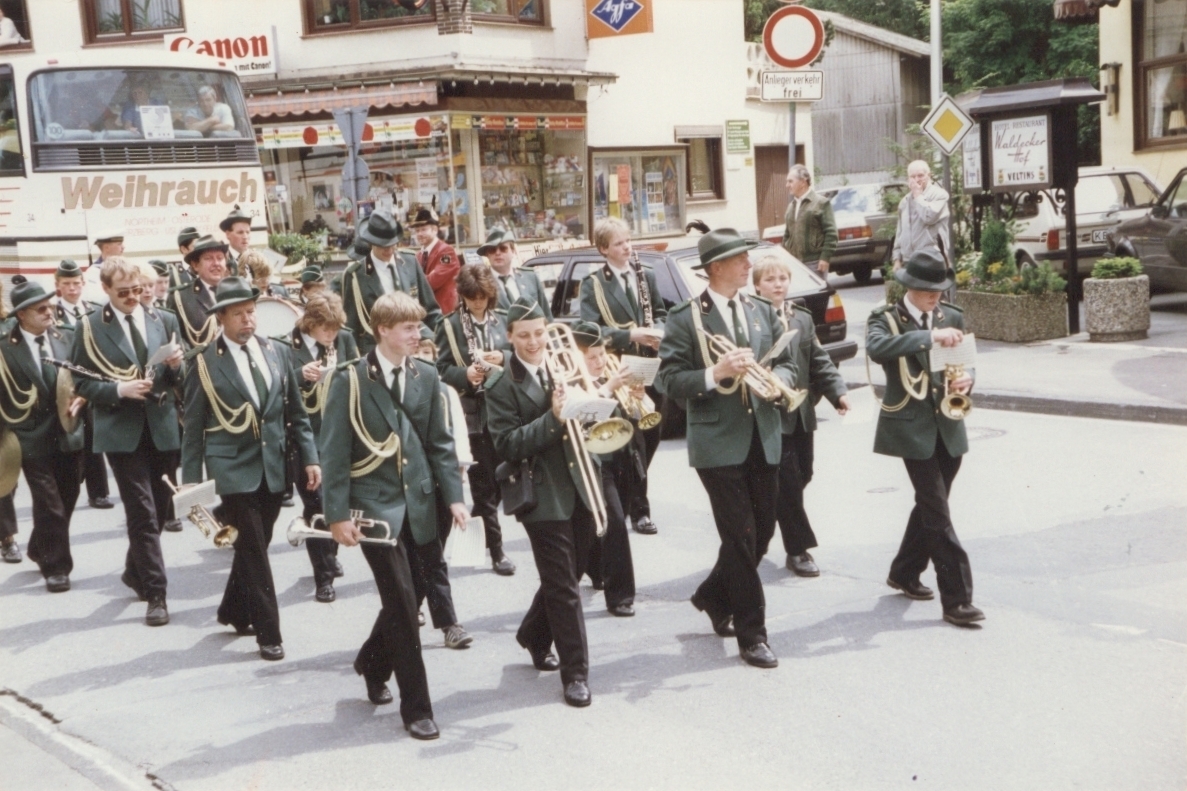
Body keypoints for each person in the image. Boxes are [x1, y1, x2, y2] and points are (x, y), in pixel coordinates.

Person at [320, 292, 472, 740]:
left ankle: (371, 660)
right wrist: (335, 516)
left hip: (423, 501)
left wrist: (455, 497)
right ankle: (418, 708)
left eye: (418, 327)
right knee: (404, 607)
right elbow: (333, 453)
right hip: (373, 507)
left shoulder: (426, 375)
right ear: (382, 329)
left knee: (414, 594)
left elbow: (440, 444)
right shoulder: (349, 379)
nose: (417, 335)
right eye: (407, 328)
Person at [656, 228, 797, 669]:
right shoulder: (685, 318)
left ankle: (713, 597)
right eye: (739, 259)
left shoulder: (759, 309)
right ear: (716, 268)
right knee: (740, 537)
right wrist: (714, 373)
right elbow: (667, 379)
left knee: (763, 531)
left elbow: (787, 361)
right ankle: (752, 634)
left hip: (763, 433)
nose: (748, 266)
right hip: (717, 441)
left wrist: (782, 384)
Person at [182, 277, 321, 660]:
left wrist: (309, 457)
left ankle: (232, 609)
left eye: (251, 312)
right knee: (256, 550)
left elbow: (298, 412)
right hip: (232, 467)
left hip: (274, 463)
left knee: (253, 543)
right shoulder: (204, 363)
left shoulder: (276, 352)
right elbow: (193, 428)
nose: (248, 320)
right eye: (239, 314)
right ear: (221, 318)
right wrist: (190, 482)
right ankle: (268, 632)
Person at [485, 297, 601, 708]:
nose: (534, 342)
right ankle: (576, 676)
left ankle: (534, 633)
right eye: (524, 335)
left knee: (574, 570)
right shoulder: (500, 383)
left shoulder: (564, 365)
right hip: (542, 492)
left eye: (539, 333)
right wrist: (553, 418)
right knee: (564, 585)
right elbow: (506, 444)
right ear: (509, 337)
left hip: (582, 483)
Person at [866, 249, 983, 628]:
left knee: (932, 504)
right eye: (927, 289)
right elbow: (877, 348)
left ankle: (904, 570)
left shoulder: (953, 316)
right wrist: (929, 335)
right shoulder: (885, 318)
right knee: (937, 510)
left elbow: (966, 363)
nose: (935, 295)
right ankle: (957, 600)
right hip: (910, 425)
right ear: (909, 287)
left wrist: (968, 379)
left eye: (939, 288)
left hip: (949, 423)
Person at [71, 258, 184, 624]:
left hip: (163, 426)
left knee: (161, 510)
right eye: (124, 293)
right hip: (121, 430)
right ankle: (157, 593)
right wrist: (119, 388)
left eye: (138, 290)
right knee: (142, 513)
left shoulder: (163, 319)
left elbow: (182, 379)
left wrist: (175, 367)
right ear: (106, 290)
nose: (133, 298)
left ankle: (134, 572)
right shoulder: (89, 327)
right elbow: (80, 382)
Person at [751, 254, 850, 576]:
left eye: (782, 279)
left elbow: (818, 359)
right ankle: (798, 550)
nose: (778, 285)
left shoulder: (800, 317)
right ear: (756, 286)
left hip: (800, 413)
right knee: (789, 482)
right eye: (770, 280)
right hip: (769, 415)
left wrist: (838, 393)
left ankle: (766, 511)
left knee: (803, 474)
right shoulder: (750, 320)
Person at [579, 217, 666, 536]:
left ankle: (629, 493)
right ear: (603, 249)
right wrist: (631, 336)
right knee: (635, 442)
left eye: (628, 240)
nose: (627, 247)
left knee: (652, 435)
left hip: (649, 366)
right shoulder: (594, 284)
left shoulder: (648, 276)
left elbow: (661, 312)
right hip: (620, 369)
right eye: (618, 243)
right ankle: (640, 511)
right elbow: (589, 330)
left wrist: (659, 332)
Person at [1, 280, 85, 592]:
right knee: (49, 502)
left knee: (69, 495)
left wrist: (85, 398)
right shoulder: (4, 347)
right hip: (30, 436)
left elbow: (83, 378)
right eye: (41, 308)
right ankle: (57, 567)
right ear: (21, 315)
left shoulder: (68, 336)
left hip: (69, 431)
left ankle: (40, 545)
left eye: (50, 305)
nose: (49, 312)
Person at [435, 263, 516, 576]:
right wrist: (465, 375)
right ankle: (497, 552)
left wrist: (504, 357)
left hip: (505, 410)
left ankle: (474, 525)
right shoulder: (450, 325)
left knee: (497, 485)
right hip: (474, 414)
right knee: (483, 485)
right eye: (471, 297)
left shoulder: (504, 319)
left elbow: (519, 354)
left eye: (482, 296)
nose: (477, 302)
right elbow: (441, 370)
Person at [276, 292, 357, 603]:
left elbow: (357, 374)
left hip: (339, 434)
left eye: (336, 328)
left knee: (339, 503)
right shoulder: (285, 346)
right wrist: (300, 376)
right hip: (304, 436)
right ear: (310, 323)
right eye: (326, 329)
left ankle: (329, 554)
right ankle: (323, 577)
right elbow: (276, 386)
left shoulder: (343, 339)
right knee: (317, 506)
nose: (331, 335)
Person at [571, 321, 639, 617]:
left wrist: (635, 400)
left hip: (619, 458)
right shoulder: (572, 383)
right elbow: (584, 416)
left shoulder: (609, 376)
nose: (599, 362)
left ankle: (598, 571)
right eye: (591, 357)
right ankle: (621, 595)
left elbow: (630, 420)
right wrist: (609, 389)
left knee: (608, 519)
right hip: (592, 462)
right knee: (614, 523)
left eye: (601, 355)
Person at [51, 260, 114, 511]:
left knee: (94, 436)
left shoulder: (95, 309)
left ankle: (99, 492)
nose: (73, 289)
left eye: (76, 283)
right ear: (58, 286)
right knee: (72, 435)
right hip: (65, 381)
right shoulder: (51, 313)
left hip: (92, 379)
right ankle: (73, 483)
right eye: (67, 284)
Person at [341, 210, 442, 353]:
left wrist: (440, 338)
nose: (389, 250)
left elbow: (431, 310)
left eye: (393, 244)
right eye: (383, 245)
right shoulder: (355, 275)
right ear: (371, 243)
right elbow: (350, 326)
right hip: (376, 351)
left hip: (415, 347)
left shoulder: (410, 262)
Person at [892, 160, 952, 293]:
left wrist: (918, 195)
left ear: (928, 175)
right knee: (914, 299)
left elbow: (929, 217)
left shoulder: (939, 195)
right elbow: (900, 232)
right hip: (910, 261)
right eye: (913, 177)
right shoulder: (905, 201)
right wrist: (897, 258)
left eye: (920, 175)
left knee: (934, 298)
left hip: (931, 259)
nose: (916, 180)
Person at [478, 228, 553, 320]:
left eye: (503, 248)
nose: (497, 253)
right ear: (487, 255)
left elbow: (546, 316)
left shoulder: (530, 277)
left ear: (513, 251)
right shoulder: (480, 283)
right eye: (492, 250)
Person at [171, 235, 227, 348]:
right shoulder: (181, 298)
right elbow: (177, 340)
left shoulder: (236, 292)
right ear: (195, 265)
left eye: (220, 258)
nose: (216, 263)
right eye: (208, 258)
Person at [781, 164, 837, 276]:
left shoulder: (821, 203)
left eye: (790, 181)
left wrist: (825, 258)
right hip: (794, 263)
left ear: (803, 182)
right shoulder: (791, 206)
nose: (787, 185)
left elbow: (831, 233)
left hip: (815, 263)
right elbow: (787, 235)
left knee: (816, 294)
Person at [410, 208, 461, 315]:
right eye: (417, 231)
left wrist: (416, 282)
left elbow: (432, 282)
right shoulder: (419, 255)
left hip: (444, 311)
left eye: (424, 229)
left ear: (435, 230)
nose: (419, 234)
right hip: (426, 311)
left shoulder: (446, 251)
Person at [220, 205, 253, 276]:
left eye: (247, 232)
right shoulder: (222, 260)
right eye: (240, 232)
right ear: (228, 234)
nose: (245, 237)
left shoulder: (254, 258)